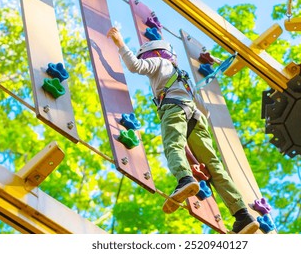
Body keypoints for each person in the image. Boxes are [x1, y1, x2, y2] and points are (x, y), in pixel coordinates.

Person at [108, 27, 259, 234]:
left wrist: (119, 43)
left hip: (174, 108)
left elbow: (135, 66)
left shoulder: (160, 62)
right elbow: (203, 111)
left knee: (173, 145)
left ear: (156, 53)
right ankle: (242, 215)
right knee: (214, 166)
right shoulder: (184, 76)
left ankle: (184, 179)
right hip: (195, 116)